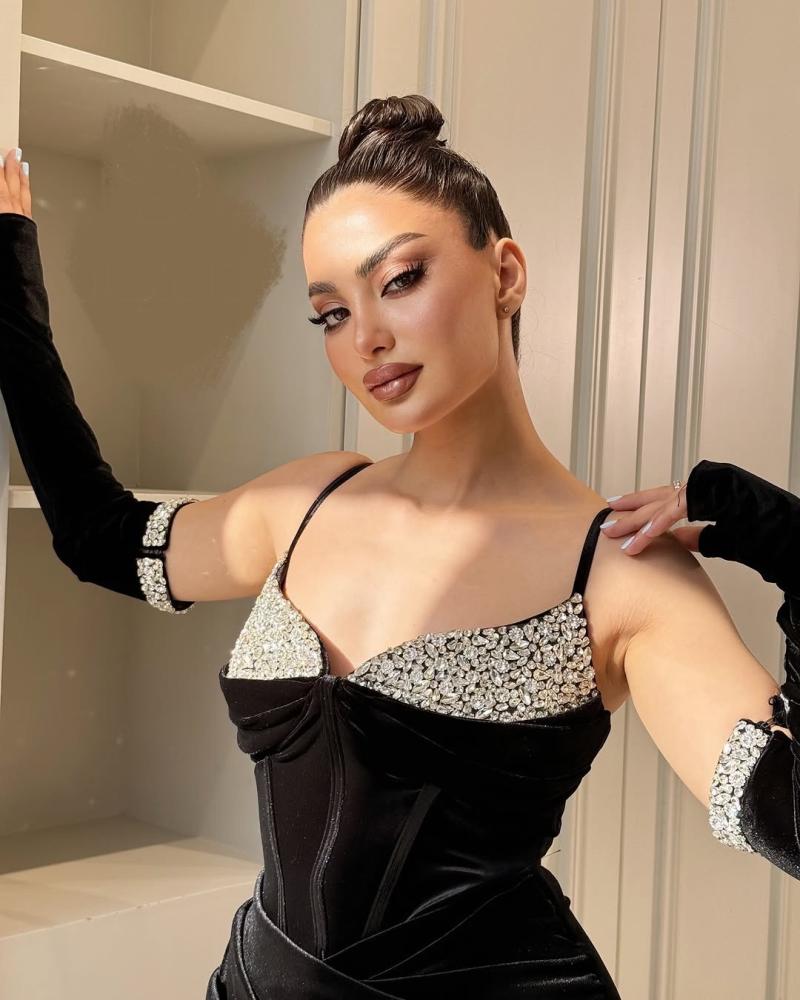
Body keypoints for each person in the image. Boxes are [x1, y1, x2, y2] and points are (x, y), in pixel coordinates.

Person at [0, 94, 798, 999]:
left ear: (505, 274)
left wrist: (786, 538)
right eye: (331, 313)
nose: (368, 338)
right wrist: (10, 284)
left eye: (402, 279)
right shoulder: (308, 501)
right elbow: (97, 536)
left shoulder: (621, 570)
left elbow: (791, 821)